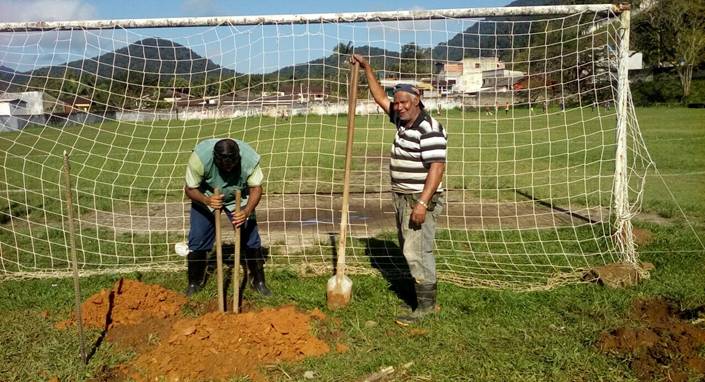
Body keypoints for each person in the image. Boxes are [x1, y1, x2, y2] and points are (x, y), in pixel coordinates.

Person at [351, 54, 447, 325]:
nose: (399, 106)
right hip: (403, 197)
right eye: (398, 102)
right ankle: (424, 297)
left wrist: (422, 204)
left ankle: (426, 307)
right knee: (410, 247)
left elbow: (437, 168)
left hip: (419, 198)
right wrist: (368, 69)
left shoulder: (429, 129)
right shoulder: (402, 120)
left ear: (417, 99)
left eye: (405, 101)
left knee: (417, 250)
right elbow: (380, 97)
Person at [183, 138, 272, 297]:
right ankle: (195, 282)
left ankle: (257, 281)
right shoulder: (200, 158)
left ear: (238, 158)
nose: (229, 169)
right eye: (225, 166)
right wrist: (206, 200)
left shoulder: (249, 158)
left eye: (232, 165)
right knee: (198, 236)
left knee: (250, 236)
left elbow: (256, 188)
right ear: (216, 160)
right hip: (207, 195)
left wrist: (246, 211)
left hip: (238, 195)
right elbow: (190, 189)